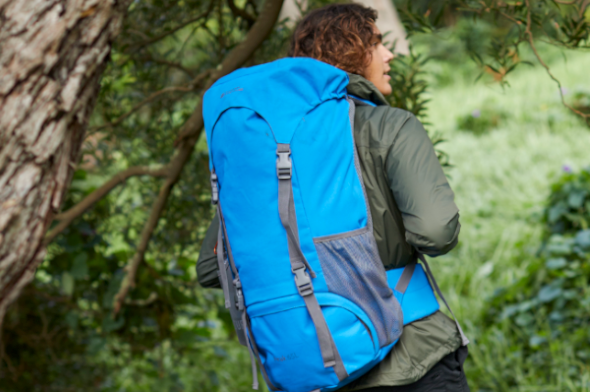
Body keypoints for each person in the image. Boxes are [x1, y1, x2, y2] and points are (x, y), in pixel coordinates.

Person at [195, 4, 468, 391]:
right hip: (414, 356)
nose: (389, 55)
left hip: (315, 369)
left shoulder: (267, 157)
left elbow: (212, 267)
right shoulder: (389, 127)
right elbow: (437, 233)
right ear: (352, 53)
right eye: (376, 43)